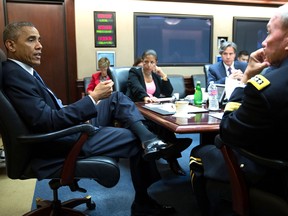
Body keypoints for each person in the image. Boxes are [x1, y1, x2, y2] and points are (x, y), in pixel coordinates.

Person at [1, 21, 177, 216]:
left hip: (69, 127)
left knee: (116, 97)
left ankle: (149, 138)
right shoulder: (15, 75)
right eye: (31, 40)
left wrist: (86, 106)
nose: (40, 45)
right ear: (11, 45)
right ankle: (144, 196)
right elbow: (46, 121)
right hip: (64, 139)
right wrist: (92, 98)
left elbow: (48, 114)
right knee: (135, 139)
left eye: (39, 40)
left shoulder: (24, 72)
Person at [190, 3, 288, 214]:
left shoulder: (266, 88)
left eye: (269, 31)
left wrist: (245, 80)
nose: (264, 41)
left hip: (273, 174)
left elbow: (228, 130)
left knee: (199, 153)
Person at [127, 49, 192, 176]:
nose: (149, 65)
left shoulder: (156, 76)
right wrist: (145, 96)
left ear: (156, 63)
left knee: (165, 124)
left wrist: (163, 76)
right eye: (146, 62)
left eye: (152, 62)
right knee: (159, 125)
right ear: (142, 61)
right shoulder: (134, 72)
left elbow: (168, 92)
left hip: (153, 108)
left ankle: (169, 153)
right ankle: (170, 152)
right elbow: (136, 87)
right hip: (137, 109)